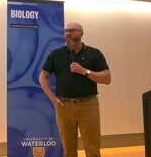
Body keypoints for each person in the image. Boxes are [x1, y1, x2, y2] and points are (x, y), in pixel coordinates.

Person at [38, 22, 111, 157]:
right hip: (63, 106)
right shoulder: (56, 54)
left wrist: (85, 71)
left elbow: (107, 78)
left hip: (88, 106)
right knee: (69, 151)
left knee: (92, 150)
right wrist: (53, 99)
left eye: (72, 30)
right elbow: (43, 77)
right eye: (66, 31)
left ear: (81, 34)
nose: (68, 33)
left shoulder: (94, 53)